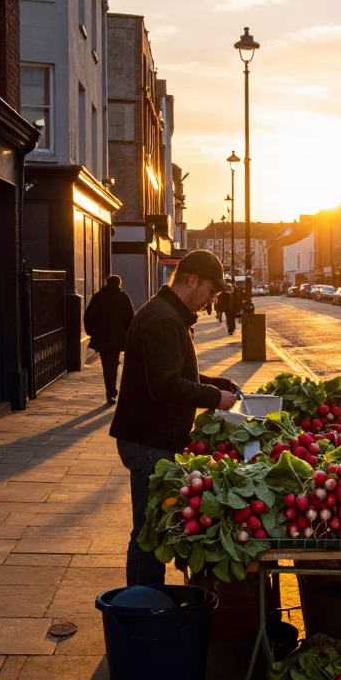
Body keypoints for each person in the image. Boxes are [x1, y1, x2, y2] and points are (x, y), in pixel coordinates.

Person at [110, 250, 238, 585]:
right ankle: (140, 610)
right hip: (149, 440)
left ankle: (147, 603)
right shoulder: (164, 319)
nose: (211, 300)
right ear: (192, 280)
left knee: (155, 529)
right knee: (150, 534)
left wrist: (215, 383)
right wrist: (214, 398)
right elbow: (165, 385)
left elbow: (173, 370)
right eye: (211, 291)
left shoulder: (168, 314)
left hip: (152, 437)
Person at [83, 275, 135, 404]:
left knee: (106, 364)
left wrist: (90, 331)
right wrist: (128, 335)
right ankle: (111, 390)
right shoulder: (123, 297)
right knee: (113, 363)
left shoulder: (98, 297)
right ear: (118, 284)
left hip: (101, 336)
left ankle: (110, 390)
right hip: (117, 337)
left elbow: (88, 315)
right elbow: (130, 318)